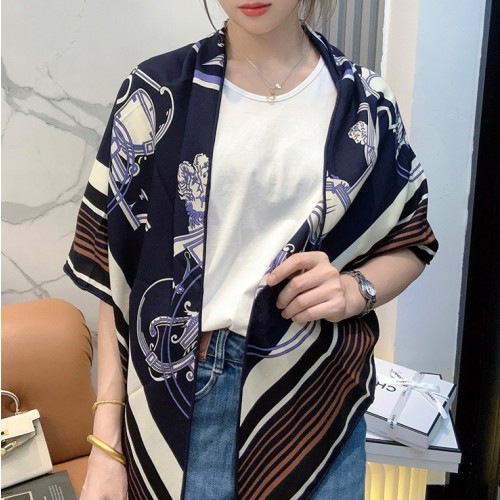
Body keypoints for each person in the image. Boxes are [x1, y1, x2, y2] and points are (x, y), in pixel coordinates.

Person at [64, 0, 438, 498]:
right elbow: (116, 278)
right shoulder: (157, 93)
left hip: (315, 401)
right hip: (179, 397)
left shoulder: (365, 104)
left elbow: (411, 239)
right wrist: (106, 443)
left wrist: (355, 290)